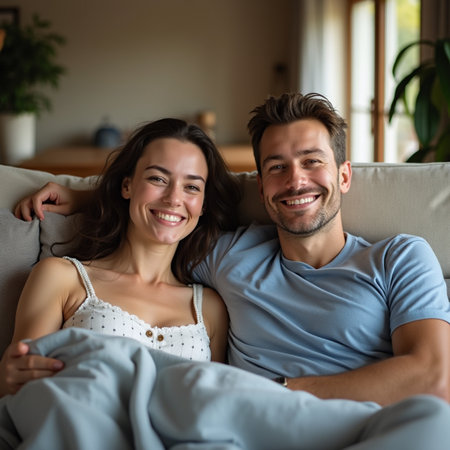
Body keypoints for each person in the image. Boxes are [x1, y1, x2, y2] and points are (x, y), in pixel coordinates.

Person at [9, 93, 450, 407]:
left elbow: (435, 377)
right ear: (260, 186)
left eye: (313, 162)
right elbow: (165, 216)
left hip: (358, 425)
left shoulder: (401, 257)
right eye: (277, 167)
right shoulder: (229, 257)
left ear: (345, 176)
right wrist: (84, 195)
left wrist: (280, 391)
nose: (296, 181)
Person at [0, 117, 242, 397]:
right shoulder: (61, 277)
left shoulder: (210, 308)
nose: (174, 198)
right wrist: (5, 379)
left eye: (191, 187)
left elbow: (217, 405)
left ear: (203, 205)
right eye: (157, 178)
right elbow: (21, 389)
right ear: (126, 186)